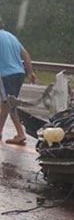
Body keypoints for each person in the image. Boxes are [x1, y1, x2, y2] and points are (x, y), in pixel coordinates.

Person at [0, 17, 36, 145]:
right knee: (6, 103)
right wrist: (30, 72)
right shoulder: (11, 36)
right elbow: (25, 54)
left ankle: (20, 134)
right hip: (19, 73)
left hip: (6, 74)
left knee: (9, 102)